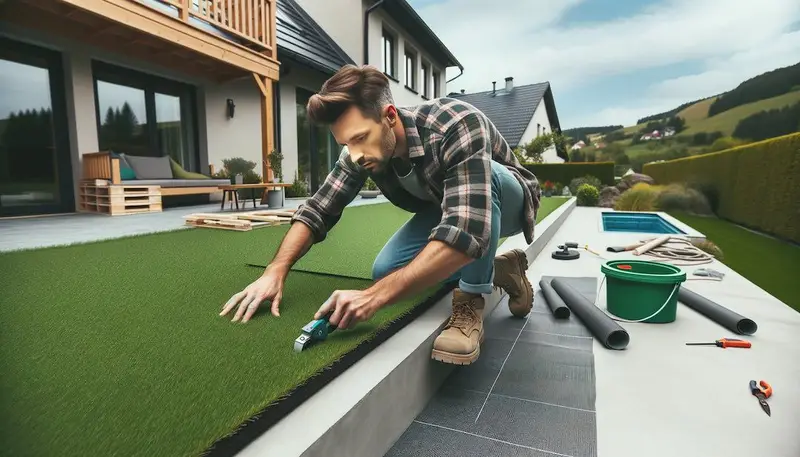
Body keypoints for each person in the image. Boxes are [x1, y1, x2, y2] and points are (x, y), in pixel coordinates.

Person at [220, 64, 541, 365]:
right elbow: (319, 209)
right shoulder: (359, 153)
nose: (355, 153)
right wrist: (275, 270)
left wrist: (372, 299)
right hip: (444, 206)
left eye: (360, 138)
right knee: (387, 270)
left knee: (487, 186)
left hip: (507, 199)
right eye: (346, 143)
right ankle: (502, 268)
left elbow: (468, 225)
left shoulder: (456, 123)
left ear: (389, 116)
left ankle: (470, 300)